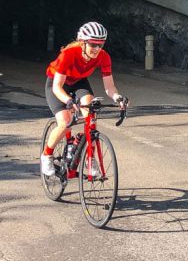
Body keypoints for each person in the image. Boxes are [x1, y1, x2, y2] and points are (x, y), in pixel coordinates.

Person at [40, 21, 126, 176]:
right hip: (58, 84)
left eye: (100, 45)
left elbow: (109, 87)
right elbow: (57, 87)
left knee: (91, 114)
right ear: (83, 43)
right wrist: (68, 101)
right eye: (93, 45)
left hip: (79, 81)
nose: (97, 49)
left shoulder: (104, 57)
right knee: (65, 121)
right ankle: (47, 155)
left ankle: (89, 157)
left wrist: (118, 97)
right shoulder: (69, 54)